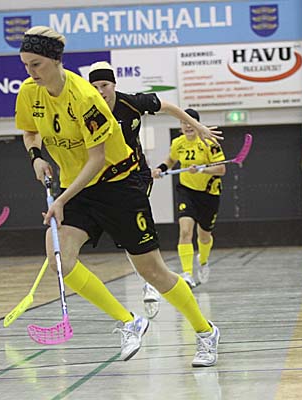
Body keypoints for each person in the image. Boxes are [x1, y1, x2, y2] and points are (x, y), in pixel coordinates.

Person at [15, 26, 219, 367]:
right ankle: (129, 321)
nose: (30, 72)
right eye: (25, 65)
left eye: (36, 64)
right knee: (60, 259)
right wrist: (36, 157)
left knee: (153, 272)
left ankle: (205, 331)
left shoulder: (86, 99)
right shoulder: (28, 92)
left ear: (55, 60)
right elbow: (30, 131)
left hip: (118, 187)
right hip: (77, 188)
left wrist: (61, 199)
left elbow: (97, 159)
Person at [88, 61, 221, 318]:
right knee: (130, 236)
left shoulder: (132, 103)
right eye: (94, 87)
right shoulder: (86, 110)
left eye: (104, 85)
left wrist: (199, 127)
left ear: (114, 84)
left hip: (136, 177)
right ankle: (156, 278)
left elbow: (169, 107)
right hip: (105, 180)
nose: (100, 91)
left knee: (140, 233)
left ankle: (154, 281)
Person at [151, 109, 226, 288]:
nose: (187, 126)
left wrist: (202, 169)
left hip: (209, 193)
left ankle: (203, 261)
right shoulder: (178, 143)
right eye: (183, 122)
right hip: (186, 191)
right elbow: (171, 160)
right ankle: (187, 274)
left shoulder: (210, 142)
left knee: (204, 236)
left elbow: (221, 169)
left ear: (197, 124)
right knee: (185, 232)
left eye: (190, 122)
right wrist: (161, 169)